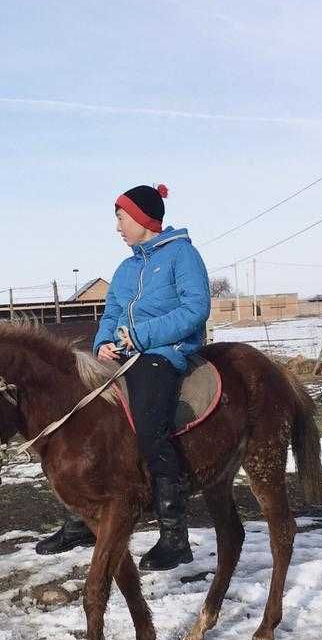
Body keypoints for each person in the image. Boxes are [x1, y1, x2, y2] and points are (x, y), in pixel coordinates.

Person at [35, 183, 211, 571]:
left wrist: (143, 337)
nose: (117, 227)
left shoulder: (183, 255)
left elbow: (196, 309)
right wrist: (101, 345)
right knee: (82, 420)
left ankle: (174, 536)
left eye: (120, 217)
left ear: (143, 219)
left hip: (164, 354)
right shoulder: (126, 268)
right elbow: (112, 313)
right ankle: (82, 517)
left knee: (149, 426)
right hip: (121, 355)